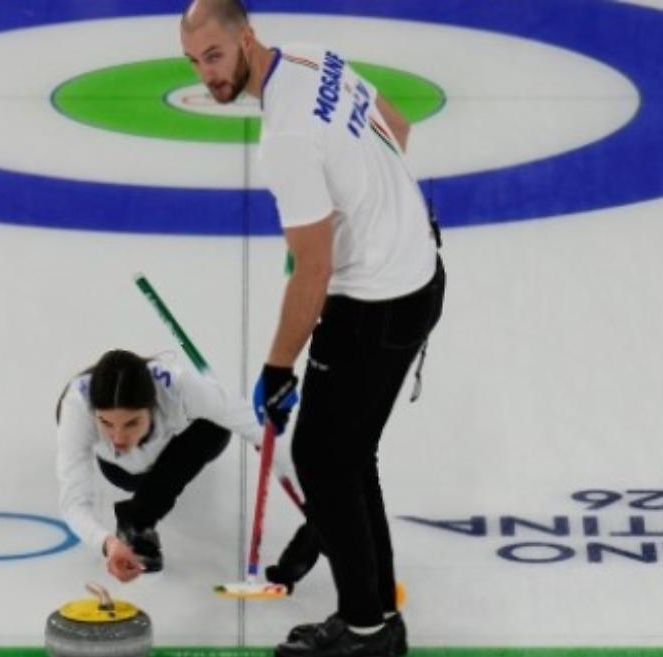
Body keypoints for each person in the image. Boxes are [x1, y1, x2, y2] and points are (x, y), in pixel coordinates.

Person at [180, 2, 446, 657]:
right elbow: (398, 129)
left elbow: (315, 269)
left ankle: (365, 631)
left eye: (214, 55)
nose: (207, 73)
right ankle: (376, 619)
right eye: (194, 62)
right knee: (349, 455)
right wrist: (361, 219)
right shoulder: (313, 57)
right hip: (421, 272)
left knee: (322, 462)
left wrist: (277, 369)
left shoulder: (285, 138)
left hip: (375, 304)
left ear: (246, 38)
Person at [55, 348, 296, 583]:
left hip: (166, 456)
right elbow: (73, 502)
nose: (117, 438)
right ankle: (136, 522)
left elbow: (258, 427)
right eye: (106, 423)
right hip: (121, 472)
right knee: (210, 422)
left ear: (152, 406)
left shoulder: (178, 387)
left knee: (216, 425)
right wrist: (108, 543)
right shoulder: (77, 406)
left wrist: (313, 500)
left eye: (131, 423)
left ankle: (137, 518)